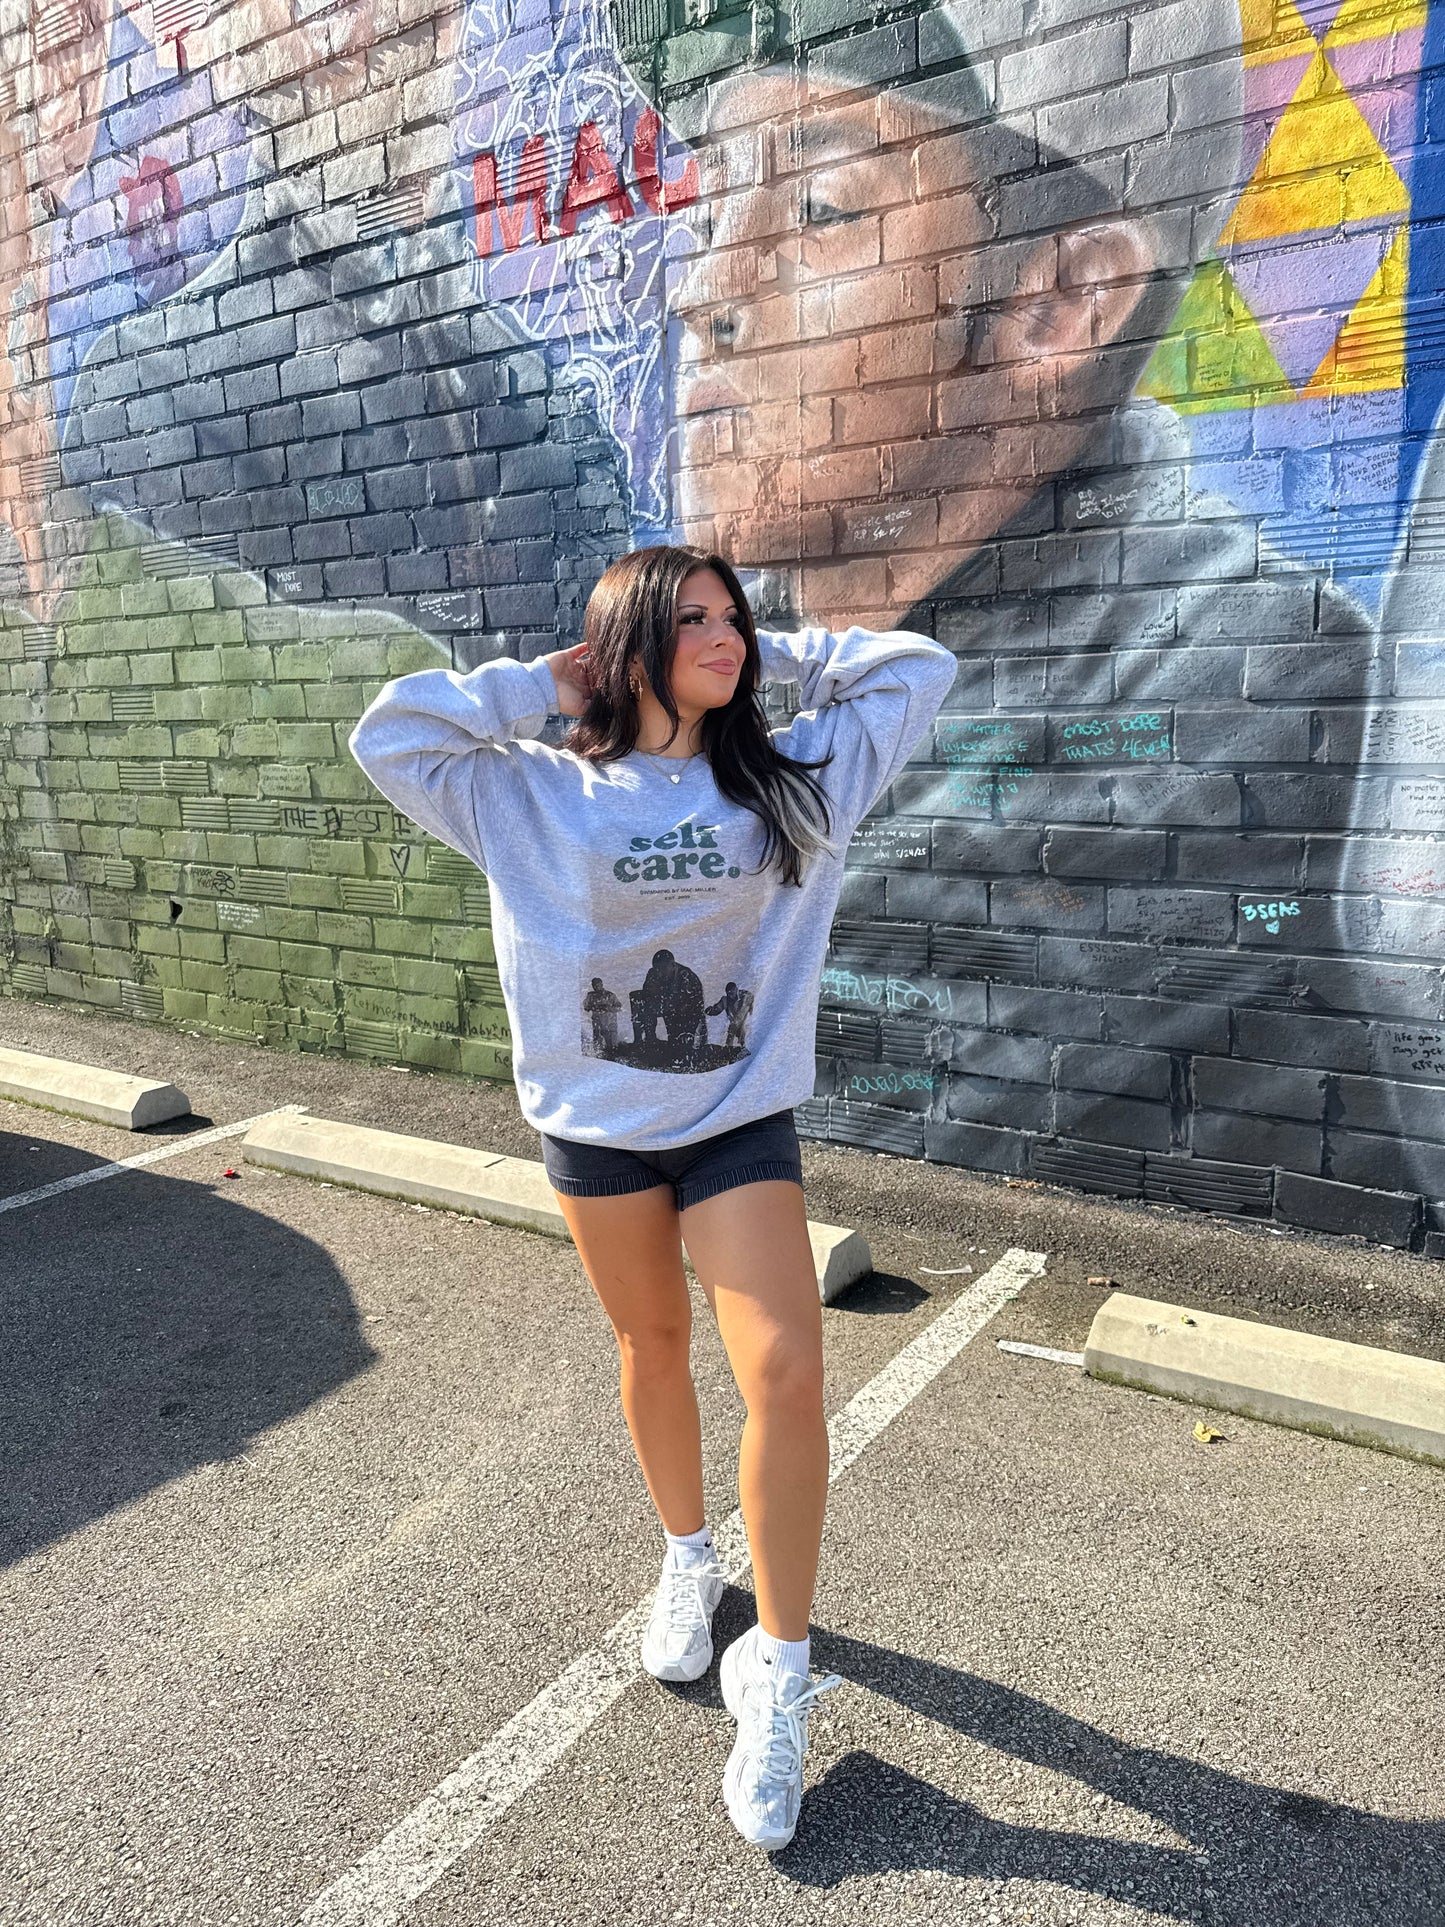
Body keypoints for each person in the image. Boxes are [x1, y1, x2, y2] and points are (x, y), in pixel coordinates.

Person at [349, 542, 956, 1850]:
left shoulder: (794, 783)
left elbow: (920, 666)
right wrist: (549, 684)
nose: (724, 634)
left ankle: (777, 1672)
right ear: (626, 643)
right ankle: (688, 1558)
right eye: (690, 620)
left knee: (786, 1369)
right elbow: (389, 735)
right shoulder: (529, 791)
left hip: (737, 1120)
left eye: (732, 615)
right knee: (652, 1346)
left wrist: (771, 660)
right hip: (597, 1129)